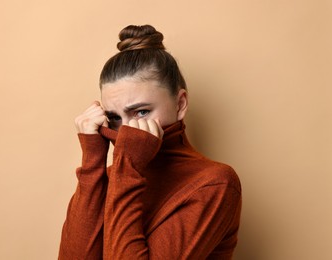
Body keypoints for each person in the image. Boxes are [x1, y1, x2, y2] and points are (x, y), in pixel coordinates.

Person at [58, 25, 242, 259]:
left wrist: (128, 168)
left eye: (141, 112)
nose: (126, 131)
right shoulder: (113, 176)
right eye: (114, 118)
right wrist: (93, 161)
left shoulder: (214, 184)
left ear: (180, 104)